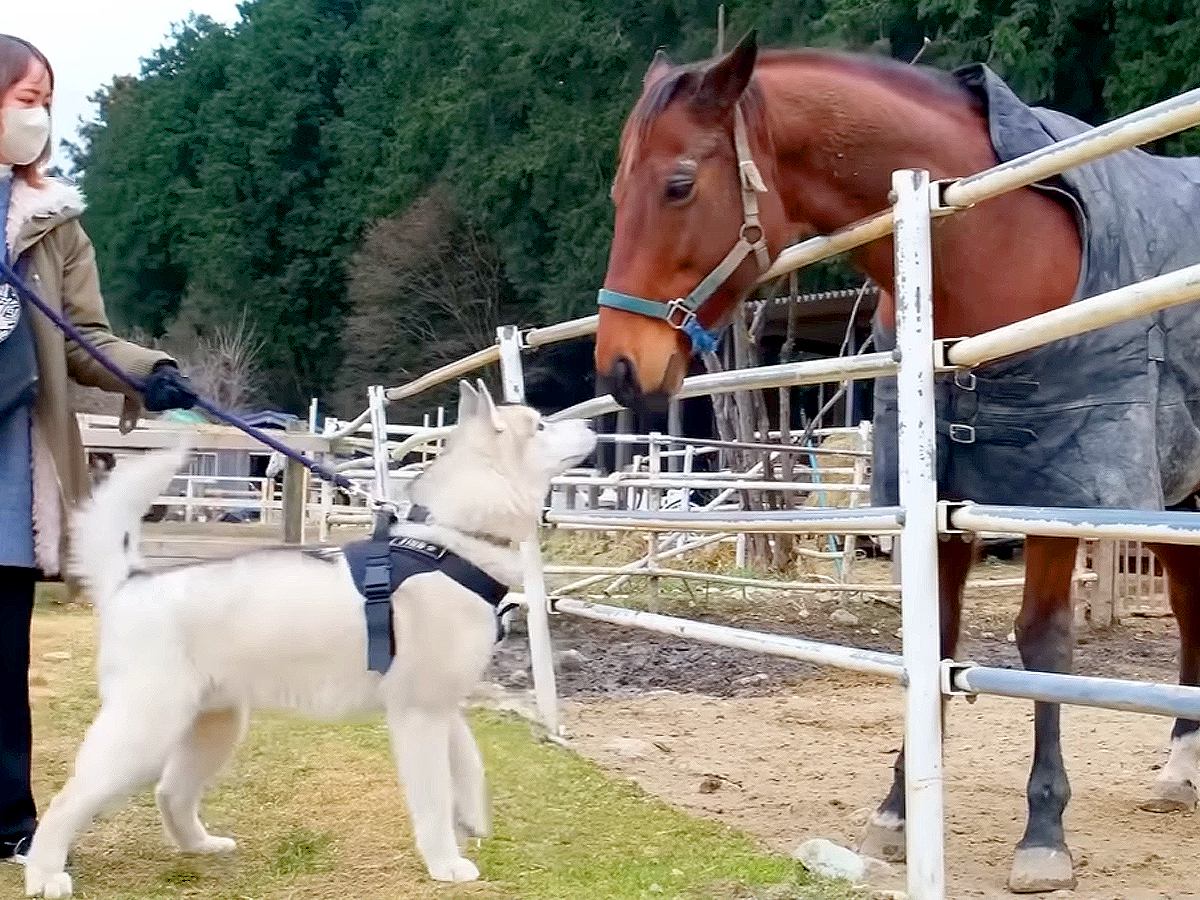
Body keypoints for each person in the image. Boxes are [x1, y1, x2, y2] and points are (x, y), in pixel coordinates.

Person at [1, 34, 197, 860]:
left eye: (46, 100)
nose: (37, 115)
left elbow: (83, 336)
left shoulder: (54, 229)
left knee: (3, 662)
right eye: (23, 97)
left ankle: (9, 821)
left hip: (11, 458)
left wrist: (148, 373)